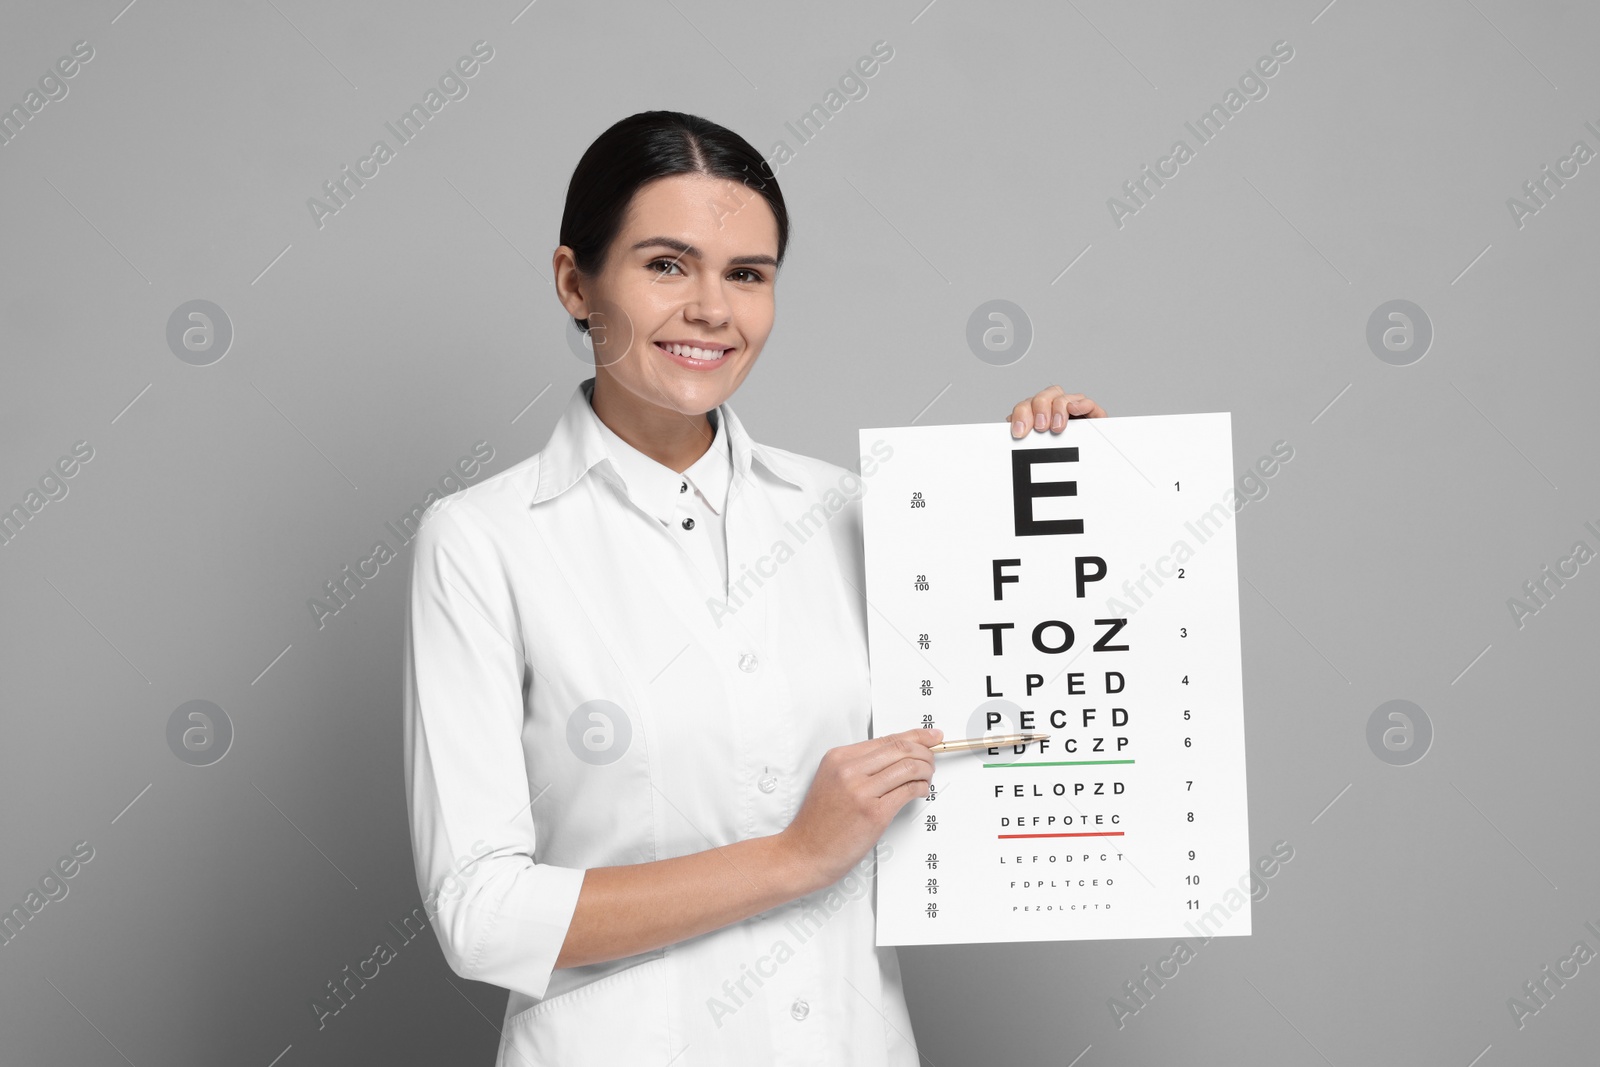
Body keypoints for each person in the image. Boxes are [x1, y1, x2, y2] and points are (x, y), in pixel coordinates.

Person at [401, 110, 1107, 1065]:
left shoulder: (860, 514)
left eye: (747, 274)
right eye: (665, 264)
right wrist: (794, 857)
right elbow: (481, 916)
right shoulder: (483, 542)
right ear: (576, 281)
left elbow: (1011, 744)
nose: (711, 309)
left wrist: (1048, 496)